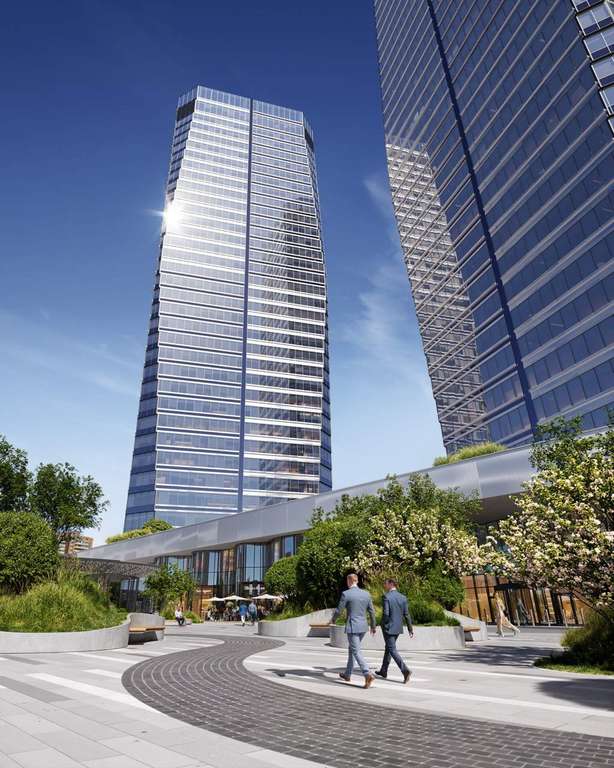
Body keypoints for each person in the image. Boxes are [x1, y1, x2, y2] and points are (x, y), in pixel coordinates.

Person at [331, 573, 377, 689]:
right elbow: (372, 611)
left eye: (347, 581)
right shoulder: (366, 594)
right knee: (352, 649)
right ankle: (347, 674)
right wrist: (373, 626)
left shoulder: (346, 594)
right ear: (357, 581)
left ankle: (367, 674)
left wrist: (333, 619)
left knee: (356, 651)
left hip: (353, 626)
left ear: (349, 581)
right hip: (363, 627)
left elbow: (339, 610)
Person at [375, 578, 413, 684]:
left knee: (392, 649)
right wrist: (410, 628)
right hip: (398, 628)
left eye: (385, 583)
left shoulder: (386, 597)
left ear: (391, 584)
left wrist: (382, 623)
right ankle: (383, 670)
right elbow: (406, 614)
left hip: (389, 627)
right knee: (388, 647)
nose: (384, 585)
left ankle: (405, 670)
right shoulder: (403, 597)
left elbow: (386, 614)